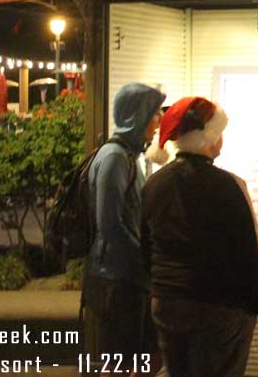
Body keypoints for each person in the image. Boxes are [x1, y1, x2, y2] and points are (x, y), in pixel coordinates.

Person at [141, 96, 258, 377]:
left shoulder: (155, 185)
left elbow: (145, 247)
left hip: (167, 299)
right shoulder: (229, 185)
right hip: (216, 305)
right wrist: (254, 304)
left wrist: (159, 286)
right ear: (208, 137)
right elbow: (246, 249)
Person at [82, 82, 165, 369]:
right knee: (119, 362)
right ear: (138, 115)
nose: (159, 122)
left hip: (130, 277)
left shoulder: (128, 156)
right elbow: (110, 224)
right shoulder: (115, 157)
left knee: (146, 357)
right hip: (117, 279)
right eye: (155, 114)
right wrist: (145, 259)